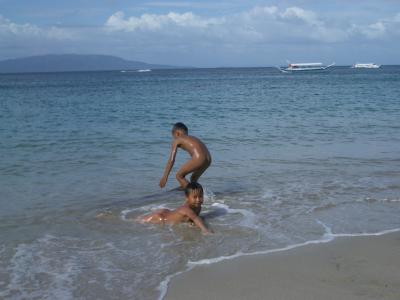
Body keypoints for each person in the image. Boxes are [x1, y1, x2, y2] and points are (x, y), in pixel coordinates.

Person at [137, 182, 212, 234]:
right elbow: (196, 218)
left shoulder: (198, 207)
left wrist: (190, 223)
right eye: (195, 197)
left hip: (168, 212)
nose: (198, 199)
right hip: (162, 217)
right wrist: (205, 230)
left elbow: (194, 218)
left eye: (200, 196)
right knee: (139, 221)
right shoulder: (187, 209)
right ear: (187, 198)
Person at [160, 122, 211, 189]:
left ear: (177, 134)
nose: (174, 139)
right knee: (193, 178)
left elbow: (171, 160)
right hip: (208, 159)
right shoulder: (192, 137)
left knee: (179, 176)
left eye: (174, 137)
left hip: (199, 158)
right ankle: (199, 194)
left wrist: (165, 177)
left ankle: (190, 193)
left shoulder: (177, 140)